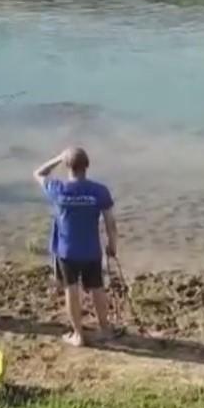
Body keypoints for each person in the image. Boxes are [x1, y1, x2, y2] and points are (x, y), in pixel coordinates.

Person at [34, 147, 118, 347]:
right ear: (86, 166)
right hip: (91, 250)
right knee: (97, 288)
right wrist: (112, 244)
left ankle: (78, 334)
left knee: (71, 290)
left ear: (67, 167)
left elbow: (38, 173)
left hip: (67, 251)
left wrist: (57, 158)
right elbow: (110, 222)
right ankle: (105, 329)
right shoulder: (99, 191)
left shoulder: (58, 189)